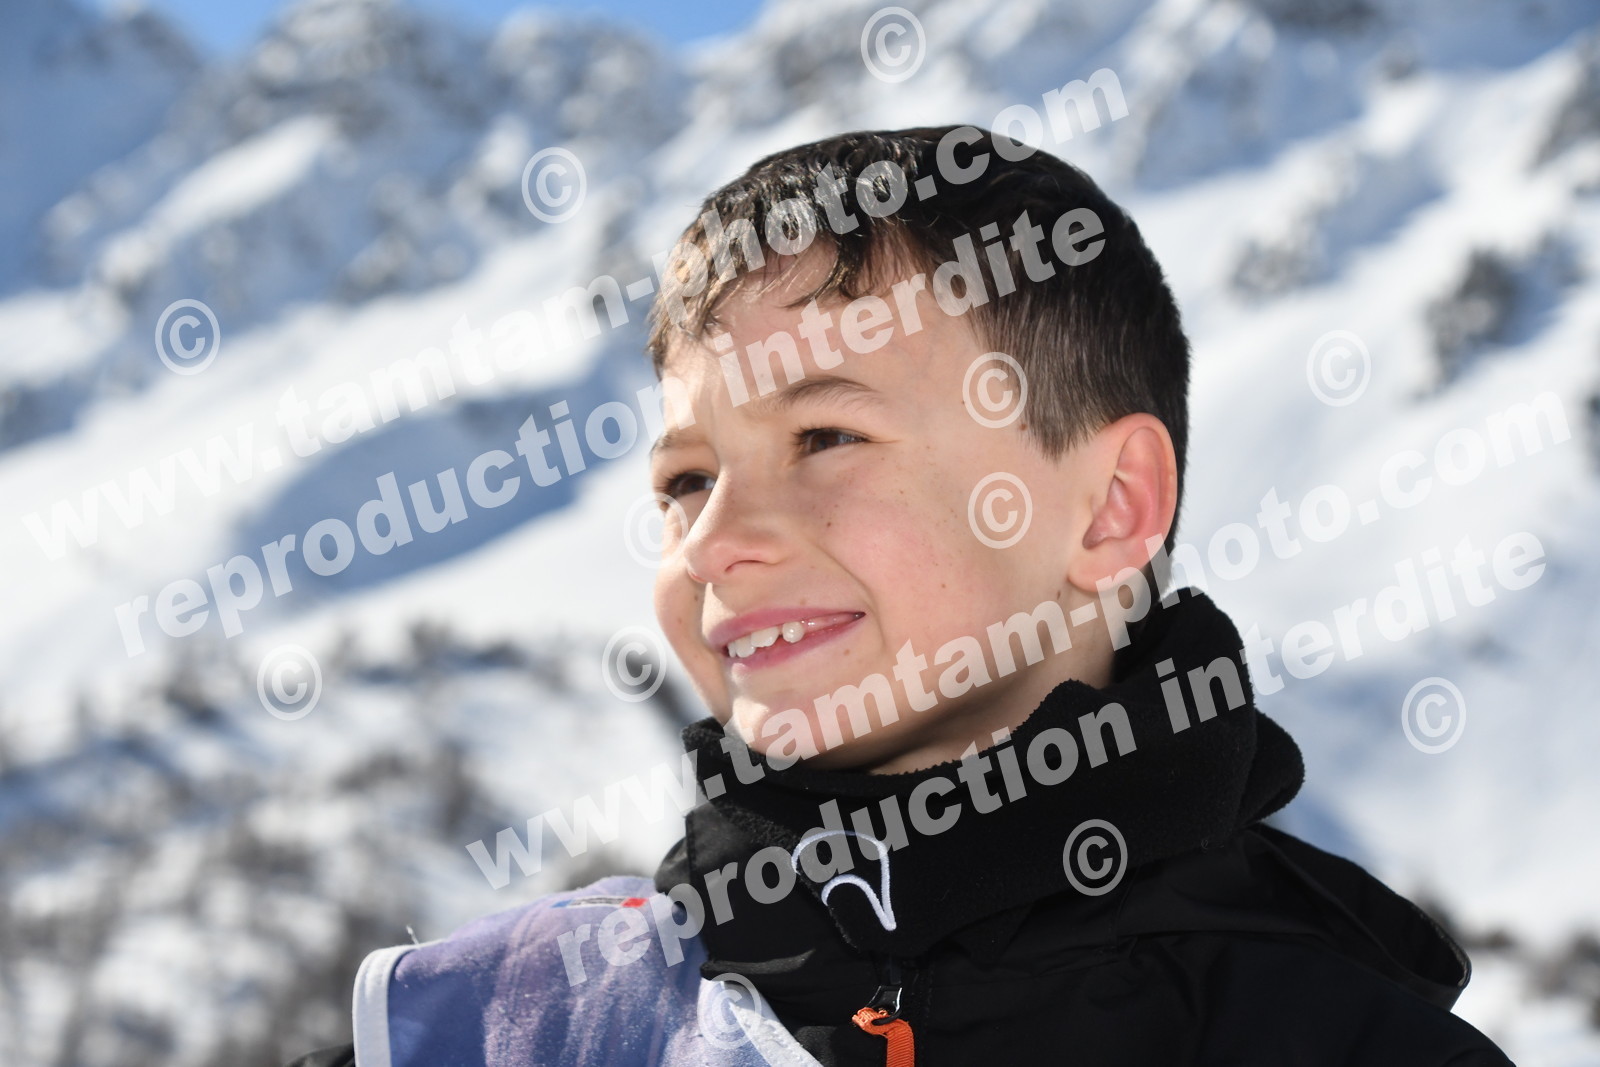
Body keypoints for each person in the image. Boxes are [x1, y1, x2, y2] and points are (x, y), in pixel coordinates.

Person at [287, 127, 1513, 1066]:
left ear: (1109, 507)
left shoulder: (1334, 1037)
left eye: (825, 436)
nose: (714, 539)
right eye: (685, 479)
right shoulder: (513, 1024)